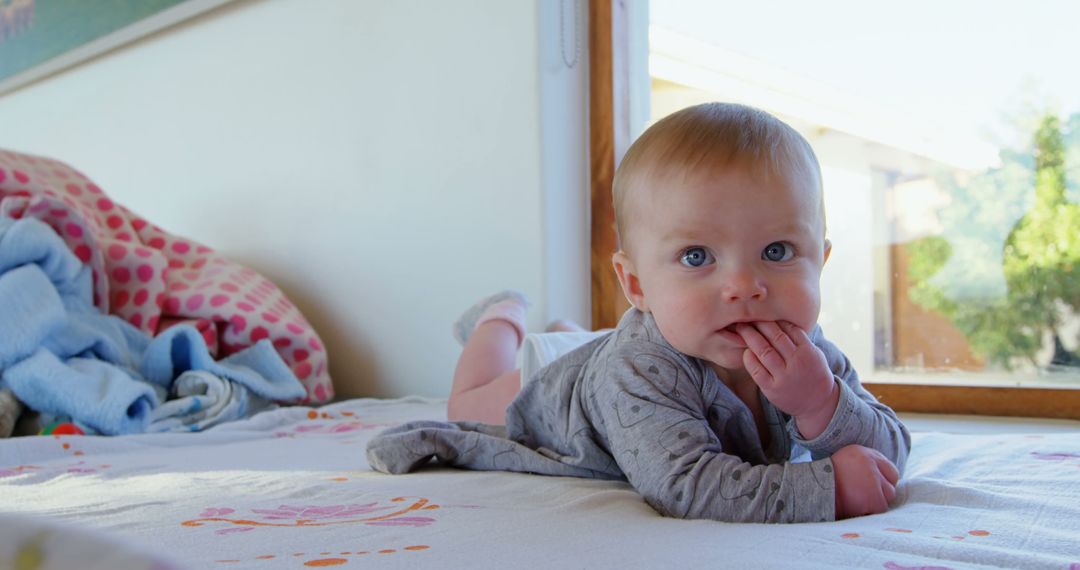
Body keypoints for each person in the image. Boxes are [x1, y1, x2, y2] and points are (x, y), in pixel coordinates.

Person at [367, 102, 911, 523]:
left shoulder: (807, 352)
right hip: (561, 390)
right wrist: (825, 491)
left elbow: (890, 452)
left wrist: (823, 404)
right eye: (697, 256)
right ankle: (500, 317)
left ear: (821, 260)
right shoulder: (635, 372)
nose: (745, 286)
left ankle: (569, 333)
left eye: (776, 252)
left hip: (612, 347)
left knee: (593, 346)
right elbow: (684, 485)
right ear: (635, 283)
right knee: (467, 401)